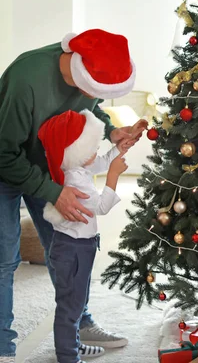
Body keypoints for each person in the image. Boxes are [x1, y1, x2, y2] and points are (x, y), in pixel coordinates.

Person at [0, 29, 143, 362]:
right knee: (5, 257)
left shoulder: (91, 72)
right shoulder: (27, 77)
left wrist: (111, 131)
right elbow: (4, 153)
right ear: (80, 75)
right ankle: (3, 342)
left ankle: (81, 323)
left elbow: (89, 114)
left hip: (50, 164)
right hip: (4, 162)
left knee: (63, 248)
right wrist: (54, 192)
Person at [39, 109, 133, 363]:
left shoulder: (73, 167)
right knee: (70, 306)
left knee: (77, 300)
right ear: (75, 152)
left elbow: (97, 162)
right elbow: (101, 206)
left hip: (79, 247)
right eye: (90, 147)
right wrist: (113, 175)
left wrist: (117, 151)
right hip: (74, 250)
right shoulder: (74, 182)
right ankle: (68, 355)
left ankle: (74, 344)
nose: (95, 153)